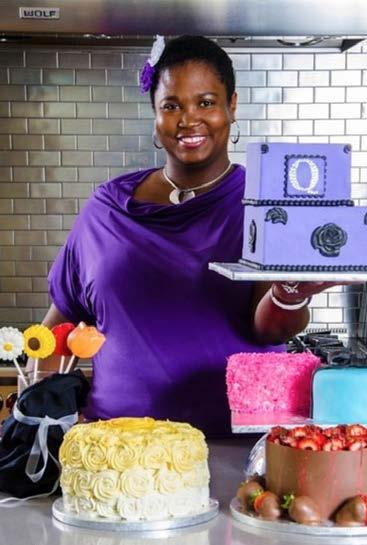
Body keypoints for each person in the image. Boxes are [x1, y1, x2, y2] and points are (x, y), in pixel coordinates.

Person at [38, 36, 339, 437]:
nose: (188, 119)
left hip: (235, 448)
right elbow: (60, 328)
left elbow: (270, 329)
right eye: (171, 105)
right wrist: (35, 415)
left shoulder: (267, 206)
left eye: (206, 102)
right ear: (155, 114)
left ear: (232, 106)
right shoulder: (106, 209)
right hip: (116, 450)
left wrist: (292, 293)